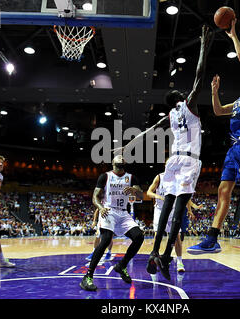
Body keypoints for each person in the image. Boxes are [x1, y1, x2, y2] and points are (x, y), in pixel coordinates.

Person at [116, 25, 212, 280]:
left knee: (167, 209)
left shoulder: (168, 116)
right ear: (181, 98)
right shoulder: (189, 106)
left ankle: (154, 252)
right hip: (189, 161)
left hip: (172, 162)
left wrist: (127, 145)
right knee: (178, 213)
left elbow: (147, 132)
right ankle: (167, 256)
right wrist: (204, 44)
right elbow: (199, 76)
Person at [187, 18, 240, 270]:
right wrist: (214, 91)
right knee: (223, 190)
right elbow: (218, 110)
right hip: (234, 149)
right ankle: (212, 238)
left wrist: (233, 35)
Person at [80, 155, 144, 291]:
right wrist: (101, 208)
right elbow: (95, 197)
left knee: (139, 237)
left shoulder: (132, 177)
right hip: (108, 210)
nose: (120, 158)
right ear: (113, 163)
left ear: (124, 163)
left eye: (122, 158)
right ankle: (88, 276)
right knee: (105, 240)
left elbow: (141, 196)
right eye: (117, 158)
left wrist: (135, 190)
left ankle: (122, 265)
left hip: (123, 212)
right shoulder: (105, 176)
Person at [146, 171, 198, 273]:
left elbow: (185, 197)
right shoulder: (159, 177)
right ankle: (154, 260)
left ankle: (179, 261)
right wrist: (159, 197)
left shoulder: (179, 179)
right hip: (160, 209)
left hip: (173, 210)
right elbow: (149, 192)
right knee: (157, 235)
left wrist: (190, 210)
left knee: (177, 236)